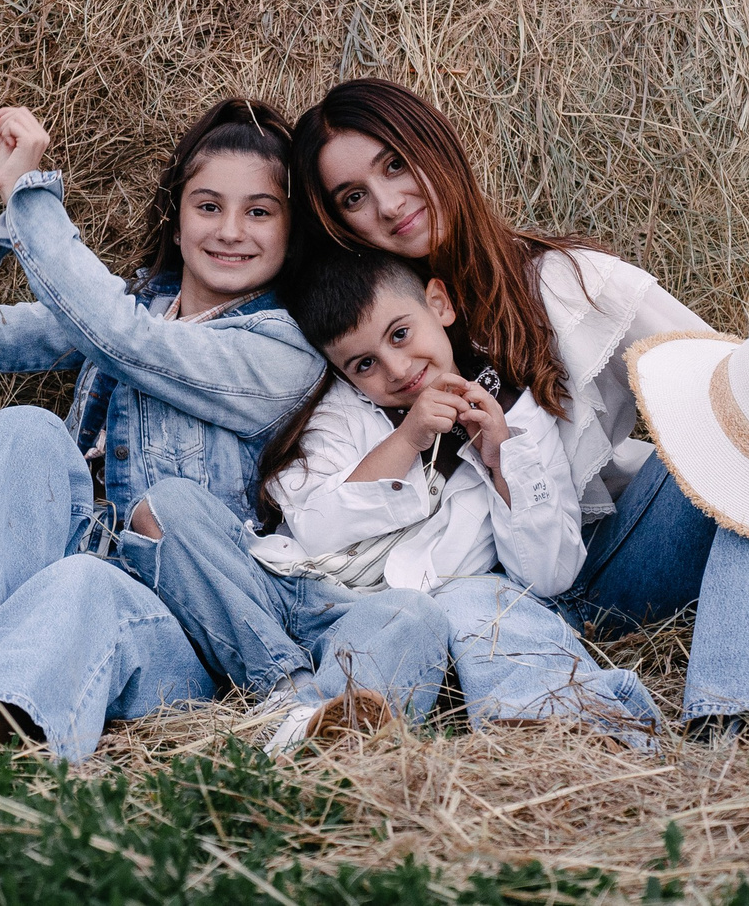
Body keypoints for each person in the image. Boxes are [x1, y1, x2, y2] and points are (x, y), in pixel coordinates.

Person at [0, 97, 449, 761]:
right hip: (81, 564)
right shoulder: (138, 303)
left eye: (259, 212)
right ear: (177, 218)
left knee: (90, 582)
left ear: (289, 235)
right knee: (25, 429)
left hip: (190, 620)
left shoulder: (280, 349)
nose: (231, 229)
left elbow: (124, 341)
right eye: (209, 205)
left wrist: (30, 195)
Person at [293, 78, 749, 738]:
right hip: (476, 601)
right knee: (480, 599)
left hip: (605, 565)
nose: (386, 202)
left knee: (748, 442)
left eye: (394, 164)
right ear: (337, 221)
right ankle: (564, 722)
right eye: (354, 196)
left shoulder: (572, 284)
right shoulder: (350, 336)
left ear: (433, 144)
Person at [258, 247, 660, 745]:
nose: (398, 368)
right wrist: (405, 441)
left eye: (401, 334)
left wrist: (503, 460)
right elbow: (315, 527)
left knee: (487, 602)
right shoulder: (339, 417)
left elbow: (551, 575)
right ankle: (327, 734)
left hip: (457, 612)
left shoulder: (514, 410)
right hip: (340, 609)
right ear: (345, 375)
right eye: (365, 364)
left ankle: (568, 728)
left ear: (440, 305)